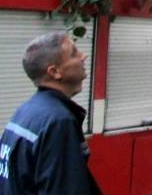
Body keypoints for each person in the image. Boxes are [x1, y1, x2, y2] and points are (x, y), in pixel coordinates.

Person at [0, 31, 102, 194]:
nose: (84, 56)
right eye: (74, 54)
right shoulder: (58, 121)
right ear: (54, 72)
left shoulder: (26, 111)